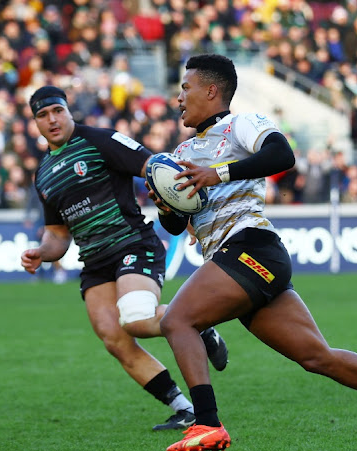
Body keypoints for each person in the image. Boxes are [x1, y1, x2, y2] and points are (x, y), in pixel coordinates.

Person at [149, 54, 357, 451]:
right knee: (319, 357)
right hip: (236, 259)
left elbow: (282, 156)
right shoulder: (184, 150)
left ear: (212, 90)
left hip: (249, 247)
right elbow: (175, 225)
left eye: (185, 88)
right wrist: (169, 207)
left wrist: (218, 173)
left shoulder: (241, 124)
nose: (179, 97)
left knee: (177, 319)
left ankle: (208, 421)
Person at [19, 86, 229, 431]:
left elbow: (158, 169)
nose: (52, 119)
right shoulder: (44, 173)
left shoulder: (101, 140)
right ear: (35, 123)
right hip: (94, 261)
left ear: (68, 111)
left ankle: (199, 323)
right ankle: (183, 408)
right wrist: (41, 253)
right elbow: (57, 235)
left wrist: (190, 215)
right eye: (42, 115)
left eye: (57, 110)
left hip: (133, 244)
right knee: (114, 338)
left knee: (135, 318)